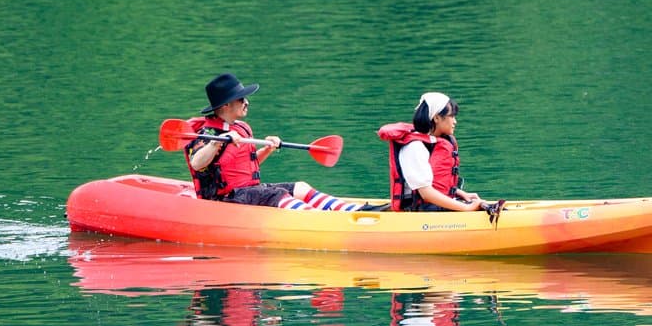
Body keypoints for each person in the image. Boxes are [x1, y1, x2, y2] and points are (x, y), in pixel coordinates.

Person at [184, 73, 360, 211]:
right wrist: (217, 142)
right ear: (225, 106)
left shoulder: (240, 127)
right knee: (278, 195)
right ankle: (323, 220)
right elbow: (197, 163)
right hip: (224, 199)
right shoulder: (207, 134)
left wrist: (267, 149)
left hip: (246, 192)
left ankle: (354, 210)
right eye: (241, 98)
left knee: (300, 187)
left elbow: (244, 167)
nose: (246, 102)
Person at [377, 92, 487, 213]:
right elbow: (426, 193)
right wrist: (466, 208)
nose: (455, 121)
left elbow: (436, 184)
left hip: (435, 208)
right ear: (437, 118)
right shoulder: (415, 147)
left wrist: (461, 194)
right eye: (452, 116)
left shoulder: (435, 142)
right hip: (420, 212)